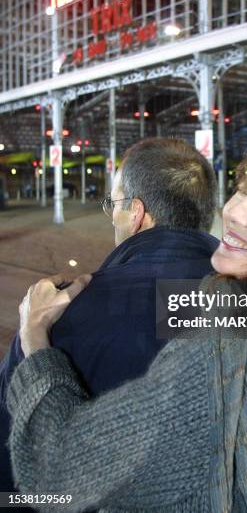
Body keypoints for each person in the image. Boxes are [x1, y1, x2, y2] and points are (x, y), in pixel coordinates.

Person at [6, 137, 247, 511]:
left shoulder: (232, 353)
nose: (233, 212)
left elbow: (56, 470)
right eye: (244, 191)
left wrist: (35, 340)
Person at [0, 137, 219, 497]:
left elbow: (16, 457)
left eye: (113, 204)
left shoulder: (57, 314)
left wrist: (34, 339)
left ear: (136, 213)